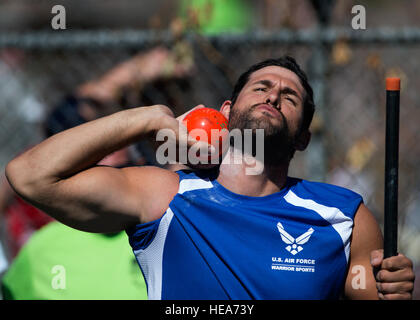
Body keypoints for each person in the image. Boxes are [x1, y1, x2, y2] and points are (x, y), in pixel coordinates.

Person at [5, 56, 415, 300]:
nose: (273, 96)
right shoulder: (163, 195)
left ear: (304, 138)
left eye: (289, 97)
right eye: (261, 88)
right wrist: (147, 119)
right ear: (226, 109)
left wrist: (394, 289)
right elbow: (30, 176)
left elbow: (376, 293)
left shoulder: (345, 217)